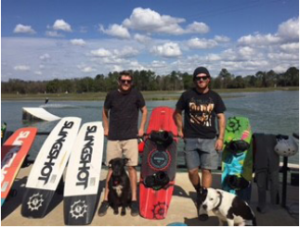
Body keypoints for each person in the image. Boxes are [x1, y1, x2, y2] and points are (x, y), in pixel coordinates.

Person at [174, 66, 226, 219]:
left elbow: (221, 117)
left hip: (210, 139)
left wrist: (221, 138)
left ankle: (203, 202)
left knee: (207, 170)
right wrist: (180, 129)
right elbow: (177, 112)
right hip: (190, 138)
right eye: (198, 78)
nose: (201, 80)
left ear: (208, 79)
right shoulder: (187, 95)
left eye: (204, 77)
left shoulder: (215, 96)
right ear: (195, 80)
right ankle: (200, 191)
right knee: (191, 171)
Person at [98, 71, 148, 217]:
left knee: (132, 168)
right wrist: (106, 127)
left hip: (131, 137)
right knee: (111, 169)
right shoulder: (111, 95)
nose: (126, 83)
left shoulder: (136, 94)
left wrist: (142, 127)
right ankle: (106, 200)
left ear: (131, 82)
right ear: (119, 81)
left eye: (129, 81)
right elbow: (105, 110)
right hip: (114, 137)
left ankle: (133, 200)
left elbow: (144, 111)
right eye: (123, 81)